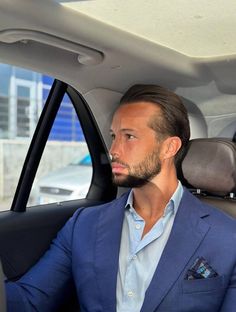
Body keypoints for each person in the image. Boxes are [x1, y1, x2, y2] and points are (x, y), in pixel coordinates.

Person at [5, 84, 236, 311]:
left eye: (129, 137)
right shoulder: (83, 224)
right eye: (114, 136)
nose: (113, 149)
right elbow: (29, 300)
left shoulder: (227, 237)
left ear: (169, 148)